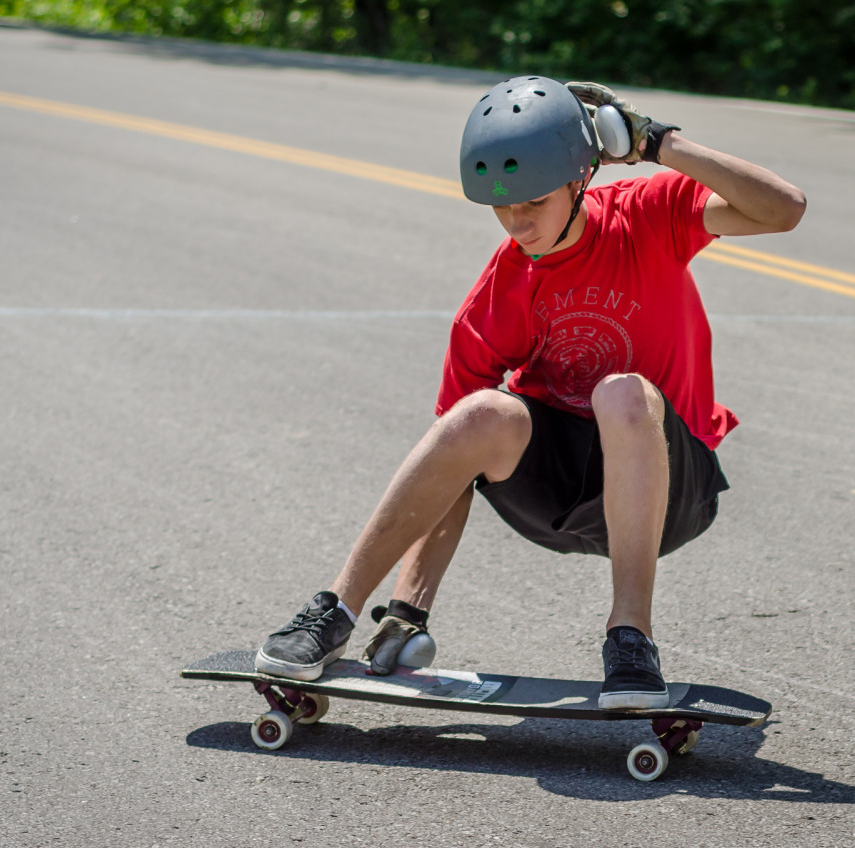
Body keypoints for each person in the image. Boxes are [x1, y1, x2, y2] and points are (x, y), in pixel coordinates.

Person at [254, 76, 805, 709]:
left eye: (534, 201)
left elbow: (783, 209)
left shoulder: (647, 216)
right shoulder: (499, 292)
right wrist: (410, 609)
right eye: (502, 205)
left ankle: (631, 639)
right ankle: (334, 612)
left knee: (622, 393)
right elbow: (450, 470)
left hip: (673, 489)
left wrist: (658, 143)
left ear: (580, 178)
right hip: (558, 500)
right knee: (480, 411)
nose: (518, 222)